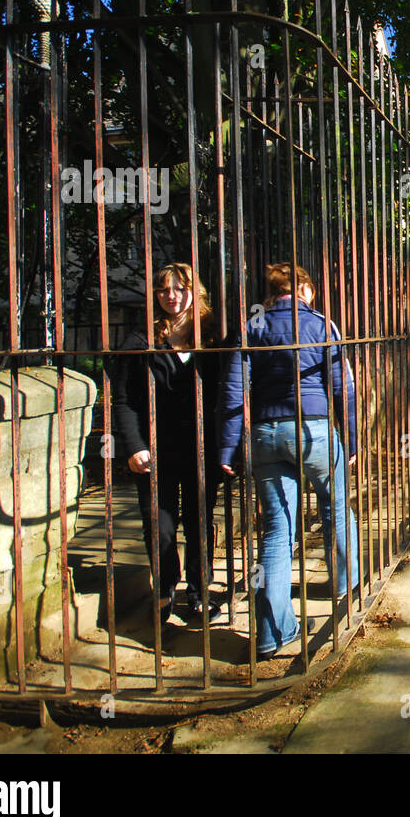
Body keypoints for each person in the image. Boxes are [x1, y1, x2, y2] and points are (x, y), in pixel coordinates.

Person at [217, 263, 359, 660]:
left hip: (265, 434)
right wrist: (349, 441)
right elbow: (342, 388)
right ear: (304, 290)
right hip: (313, 430)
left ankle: (272, 632)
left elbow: (232, 392)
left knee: (277, 532)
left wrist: (228, 449)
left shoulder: (253, 326)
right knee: (335, 509)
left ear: (272, 292)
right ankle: (347, 584)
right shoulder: (321, 324)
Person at [114, 262, 223, 624]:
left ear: (195, 291)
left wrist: (228, 445)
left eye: (179, 288)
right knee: (158, 525)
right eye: (163, 290)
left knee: (199, 521)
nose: (171, 296)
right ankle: (164, 589)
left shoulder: (212, 337)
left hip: (201, 448)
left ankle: (199, 591)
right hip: (153, 450)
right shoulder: (140, 340)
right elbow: (125, 399)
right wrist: (132, 445)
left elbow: (231, 391)